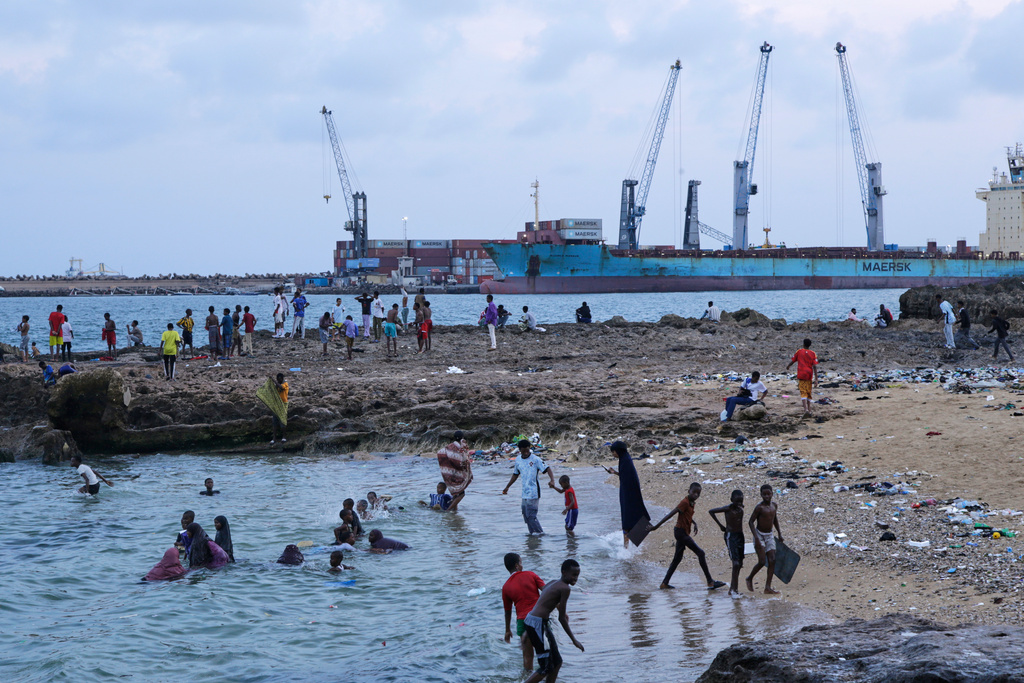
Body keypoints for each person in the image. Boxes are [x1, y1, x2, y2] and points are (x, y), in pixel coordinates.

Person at [649, 482, 726, 590]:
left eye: (698, 493)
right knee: (701, 553)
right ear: (688, 491)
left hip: (683, 532)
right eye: (694, 492)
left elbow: (686, 514)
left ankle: (664, 583)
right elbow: (672, 513)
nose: (696, 495)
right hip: (680, 533)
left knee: (677, 559)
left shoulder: (691, 502)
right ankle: (710, 582)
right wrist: (656, 526)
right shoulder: (684, 502)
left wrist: (693, 523)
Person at [522, 559, 585, 683]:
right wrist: (574, 640)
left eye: (577, 575)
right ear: (564, 572)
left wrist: (528, 630)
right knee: (546, 667)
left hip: (535, 622)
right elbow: (561, 618)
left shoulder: (553, 582)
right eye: (573, 575)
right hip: (538, 623)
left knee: (557, 662)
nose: (575, 579)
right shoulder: (565, 588)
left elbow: (545, 601)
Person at [502, 552, 546, 671]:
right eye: (521, 562)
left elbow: (508, 611)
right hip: (539, 617)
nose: (522, 565)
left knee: (527, 657)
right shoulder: (531, 575)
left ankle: (526, 678)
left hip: (523, 621)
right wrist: (560, 608)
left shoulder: (506, 587)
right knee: (546, 653)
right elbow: (546, 592)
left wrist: (507, 630)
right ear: (517, 565)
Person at [502, 439, 556, 535]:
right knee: (526, 516)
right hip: (524, 493)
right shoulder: (518, 460)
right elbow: (515, 474)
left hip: (534, 493)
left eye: (528, 450)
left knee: (531, 516)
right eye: (524, 451)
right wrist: (507, 487)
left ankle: (540, 534)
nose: (526, 452)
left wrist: (552, 480)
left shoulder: (535, 459)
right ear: (519, 450)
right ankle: (532, 535)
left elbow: (547, 468)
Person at [608, 441, 650, 548]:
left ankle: (626, 548)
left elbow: (628, 478)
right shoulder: (624, 459)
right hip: (628, 491)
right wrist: (615, 473)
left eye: (613, 451)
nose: (613, 454)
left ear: (618, 450)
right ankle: (628, 546)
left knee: (627, 519)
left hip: (628, 493)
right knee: (630, 516)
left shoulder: (625, 460)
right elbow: (625, 475)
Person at [746, 484, 784, 595]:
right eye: (764, 494)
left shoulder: (774, 506)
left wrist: (780, 533)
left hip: (769, 535)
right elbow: (750, 522)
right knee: (762, 561)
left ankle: (768, 587)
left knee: (772, 560)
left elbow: (775, 519)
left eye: (768, 494)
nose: (767, 496)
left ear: (772, 494)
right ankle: (749, 578)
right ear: (761, 495)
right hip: (759, 535)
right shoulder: (759, 507)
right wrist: (756, 537)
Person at [709, 489, 746, 596]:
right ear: (731, 500)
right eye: (737, 501)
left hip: (740, 536)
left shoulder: (740, 508)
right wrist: (721, 526)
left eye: (741, 501)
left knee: (740, 563)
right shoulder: (728, 508)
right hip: (731, 536)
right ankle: (732, 590)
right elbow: (711, 511)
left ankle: (735, 588)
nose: (739, 504)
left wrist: (740, 506)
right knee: (735, 563)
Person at [436, 430, 472, 511]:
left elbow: (440, 453)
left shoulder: (449, 447)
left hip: (449, 474)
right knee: (461, 494)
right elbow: (463, 460)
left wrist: (447, 467)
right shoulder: (461, 448)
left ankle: (454, 513)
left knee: (455, 494)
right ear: (462, 437)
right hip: (457, 474)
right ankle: (448, 510)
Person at [786, 338, 818, 416]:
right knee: (808, 392)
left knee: (803, 391)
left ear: (803, 344)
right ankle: (809, 409)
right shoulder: (813, 353)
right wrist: (816, 378)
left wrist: (788, 366)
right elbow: (815, 366)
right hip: (809, 374)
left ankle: (805, 409)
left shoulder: (799, 352)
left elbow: (793, 360)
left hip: (801, 373)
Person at [269, 373, 288, 444]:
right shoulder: (276, 386)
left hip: (283, 405)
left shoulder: (285, 384)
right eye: (278, 380)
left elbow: (281, 387)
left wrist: (273, 380)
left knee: (282, 421)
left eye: (280, 379)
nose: (279, 381)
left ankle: (284, 437)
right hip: (276, 405)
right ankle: (274, 438)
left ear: (282, 379)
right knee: (274, 422)